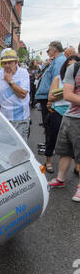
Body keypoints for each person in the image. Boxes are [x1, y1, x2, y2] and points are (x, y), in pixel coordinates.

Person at [49, 59, 80, 202]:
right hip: (69, 116)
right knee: (65, 151)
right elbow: (67, 95)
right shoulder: (74, 68)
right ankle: (60, 179)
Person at [43, 55, 80, 173]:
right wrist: (64, 93)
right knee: (52, 139)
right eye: (69, 65)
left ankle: (76, 166)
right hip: (58, 111)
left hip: (73, 115)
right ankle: (48, 161)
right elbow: (50, 97)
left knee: (74, 143)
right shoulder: (58, 79)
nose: (72, 68)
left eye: (75, 65)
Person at [0, 49, 30, 142]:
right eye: (4, 63)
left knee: (19, 151)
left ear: (16, 62)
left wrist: (9, 81)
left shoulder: (23, 73)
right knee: (5, 149)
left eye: (10, 63)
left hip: (20, 119)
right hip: (4, 119)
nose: (7, 66)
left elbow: (23, 94)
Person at [35, 41, 66, 129]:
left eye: (48, 50)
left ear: (54, 50)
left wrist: (51, 99)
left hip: (49, 98)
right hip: (47, 97)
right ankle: (47, 142)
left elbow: (56, 81)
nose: (47, 52)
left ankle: (48, 142)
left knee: (49, 126)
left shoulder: (59, 61)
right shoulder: (57, 60)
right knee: (47, 124)